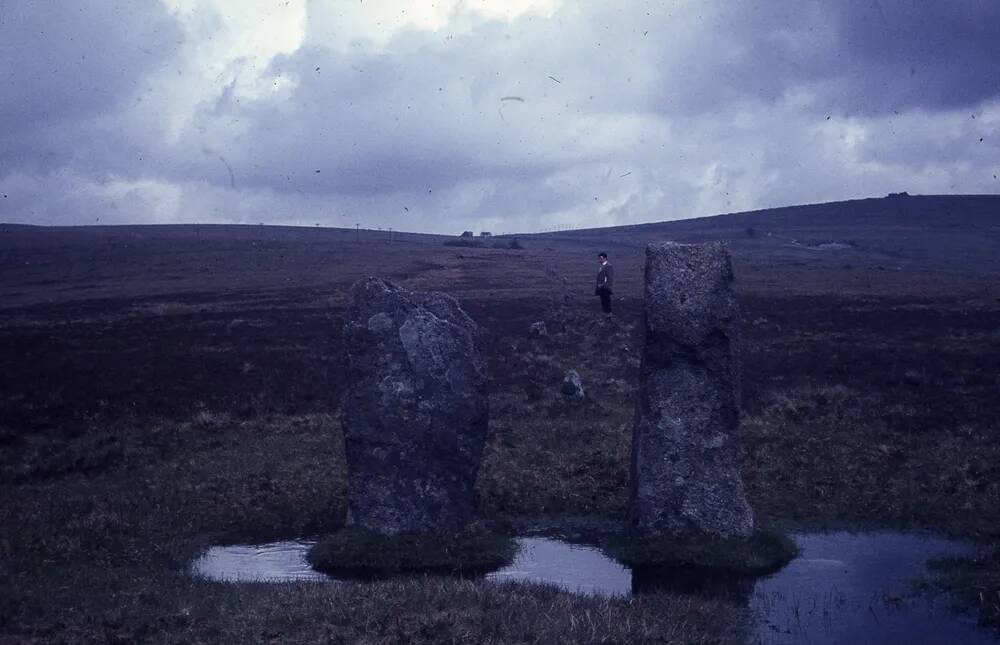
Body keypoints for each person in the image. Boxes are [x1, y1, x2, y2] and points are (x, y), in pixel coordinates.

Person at [595, 252, 613, 318]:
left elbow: (609, 278)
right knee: (603, 300)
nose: (599, 260)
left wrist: (604, 285)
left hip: (605, 288)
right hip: (601, 288)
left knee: (606, 300)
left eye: (601, 258)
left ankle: (608, 314)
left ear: (605, 258)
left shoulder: (608, 266)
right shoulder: (602, 266)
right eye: (599, 258)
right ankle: (605, 313)